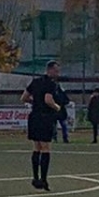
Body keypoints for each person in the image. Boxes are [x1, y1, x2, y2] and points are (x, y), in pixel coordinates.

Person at [23, 61, 68, 190]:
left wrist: (35, 102)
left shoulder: (35, 82)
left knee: (36, 147)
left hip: (34, 116)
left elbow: (24, 97)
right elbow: (48, 100)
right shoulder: (51, 84)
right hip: (45, 117)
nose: (57, 73)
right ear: (50, 70)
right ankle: (44, 179)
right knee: (45, 147)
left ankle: (35, 177)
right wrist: (57, 107)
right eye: (56, 71)